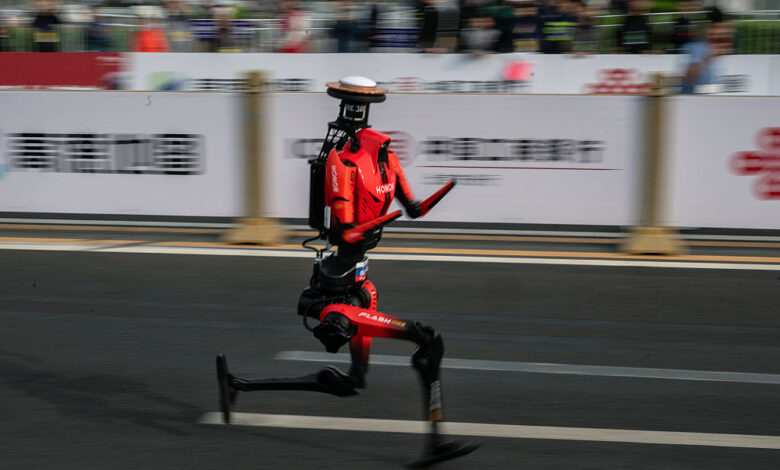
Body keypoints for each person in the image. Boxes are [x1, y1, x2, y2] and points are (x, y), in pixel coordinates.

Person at [216, 76, 477, 467]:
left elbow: (415, 208)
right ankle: (436, 444)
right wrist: (377, 221)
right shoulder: (341, 160)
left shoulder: (386, 155)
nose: (356, 118)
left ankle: (240, 384)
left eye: (360, 110)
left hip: (359, 287)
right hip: (333, 296)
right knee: (426, 340)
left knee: (354, 381)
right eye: (353, 110)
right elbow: (346, 228)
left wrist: (447, 188)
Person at [680, 7, 735, 94]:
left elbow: (707, 87)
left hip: (705, 102)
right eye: (722, 27)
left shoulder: (715, 50)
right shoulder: (696, 48)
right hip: (690, 103)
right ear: (711, 28)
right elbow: (688, 79)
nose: (726, 32)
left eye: (727, 28)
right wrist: (710, 57)